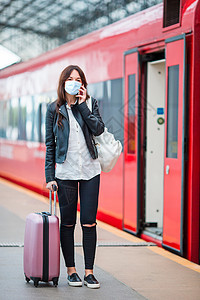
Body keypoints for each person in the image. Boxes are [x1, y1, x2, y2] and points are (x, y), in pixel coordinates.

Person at [45, 65, 104, 289]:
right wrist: (50, 176)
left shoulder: (91, 103)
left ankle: (89, 272)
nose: (74, 82)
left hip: (90, 171)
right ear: (63, 83)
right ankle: (71, 270)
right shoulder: (54, 109)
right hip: (65, 173)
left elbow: (98, 129)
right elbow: (50, 145)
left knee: (89, 222)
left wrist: (83, 106)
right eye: (70, 79)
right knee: (68, 223)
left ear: (83, 83)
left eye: (78, 79)